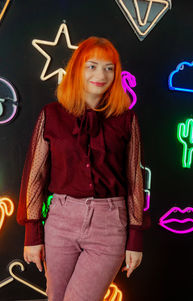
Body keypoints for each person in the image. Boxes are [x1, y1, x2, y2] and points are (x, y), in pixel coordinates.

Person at [17, 36, 146, 301]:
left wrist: (135, 239)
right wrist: (32, 234)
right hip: (60, 222)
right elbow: (35, 176)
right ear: (78, 69)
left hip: (109, 224)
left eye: (109, 68)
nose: (101, 74)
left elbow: (134, 180)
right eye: (93, 66)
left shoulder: (126, 118)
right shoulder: (51, 114)